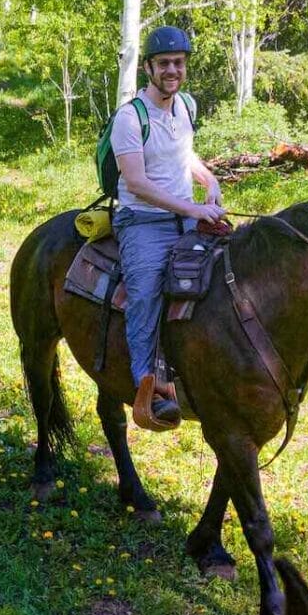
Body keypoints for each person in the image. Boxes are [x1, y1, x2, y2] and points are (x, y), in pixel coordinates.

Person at [110, 26, 225, 424]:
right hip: (142, 221)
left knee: (226, 274)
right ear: (148, 68)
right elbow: (138, 182)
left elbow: (184, 157)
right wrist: (192, 210)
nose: (172, 70)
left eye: (178, 63)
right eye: (163, 64)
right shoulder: (130, 117)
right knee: (145, 292)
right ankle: (148, 385)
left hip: (184, 215)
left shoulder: (185, 106)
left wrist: (208, 182)